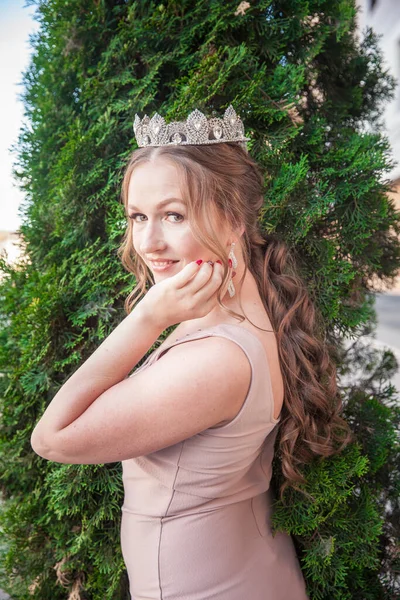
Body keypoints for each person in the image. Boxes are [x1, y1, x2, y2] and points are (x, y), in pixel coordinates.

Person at [31, 105, 353, 599]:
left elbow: (52, 440)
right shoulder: (246, 308)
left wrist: (146, 318)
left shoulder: (214, 359)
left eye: (173, 215)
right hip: (252, 566)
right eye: (138, 217)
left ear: (234, 220)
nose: (148, 242)